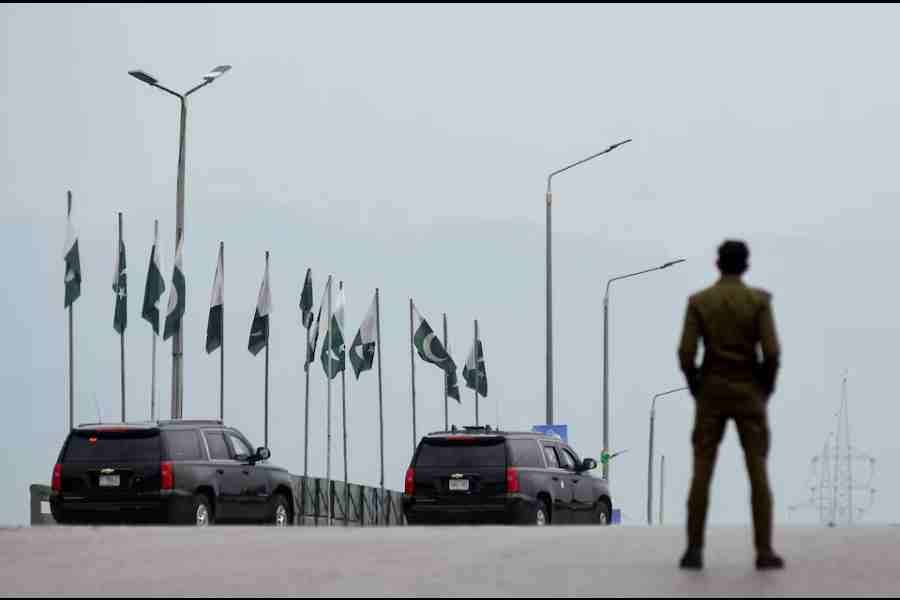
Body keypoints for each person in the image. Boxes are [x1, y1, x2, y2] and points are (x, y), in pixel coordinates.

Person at [677, 240, 784, 571]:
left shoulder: (699, 302)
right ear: (746, 265)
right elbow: (773, 351)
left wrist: (696, 385)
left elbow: (685, 352)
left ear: (717, 264)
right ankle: (764, 551)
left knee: (702, 472)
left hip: (711, 391)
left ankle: (694, 550)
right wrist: (765, 388)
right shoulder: (758, 302)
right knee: (757, 471)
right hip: (749, 391)